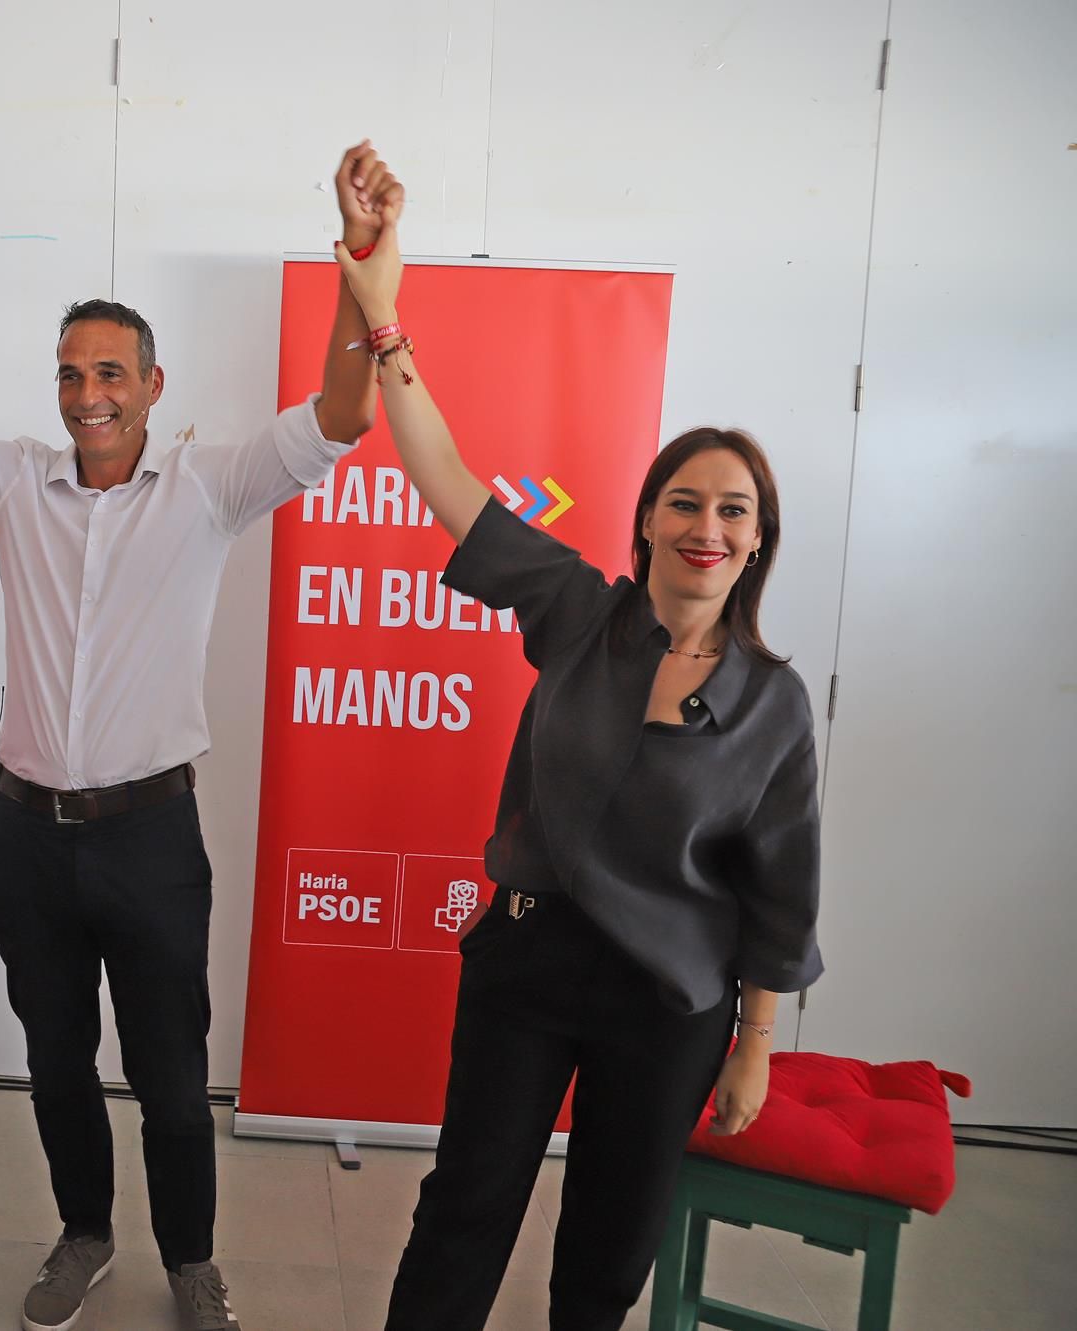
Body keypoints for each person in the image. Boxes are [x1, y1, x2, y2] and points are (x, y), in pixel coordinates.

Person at [0, 142, 392, 1331]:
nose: (85, 392)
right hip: (27, 837)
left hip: (149, 838)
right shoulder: (10, 483)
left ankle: (190, 1261)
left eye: (109, 371)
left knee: (168, 1077)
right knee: (53, 1059)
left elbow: (344, 413)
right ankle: (84, 1232)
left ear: (152, 384)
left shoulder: (210, 487)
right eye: (67, 372)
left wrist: (360, 265)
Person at [329, 152, 825, 1331]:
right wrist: (379, 306)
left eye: (733, 510)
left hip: (671, 997)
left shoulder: (772, 702)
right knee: (465, 1206)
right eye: (686, 502)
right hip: (527, 963)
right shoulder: (578, 609)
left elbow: (780, 897)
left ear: (756, 541)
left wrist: (753, 1045)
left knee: (607, 1242)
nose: (706, 526)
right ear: (647, 514)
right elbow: (441, 473)